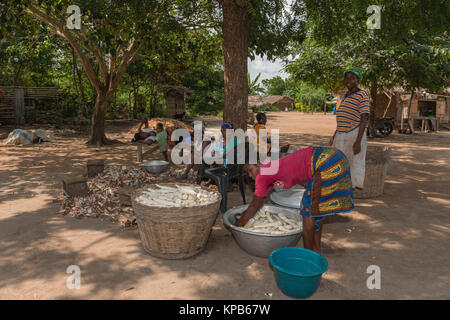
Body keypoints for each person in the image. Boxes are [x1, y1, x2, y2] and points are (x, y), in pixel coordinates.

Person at [235, 143, 354, 254]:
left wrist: (238, 225)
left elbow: (255, 206)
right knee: (316, 211)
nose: (251, 176)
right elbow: (259, 200)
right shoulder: (270, 167)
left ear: (259, 163)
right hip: (335, 156)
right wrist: (244, 214)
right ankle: (316, 252)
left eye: (250, 170)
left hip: (325, 162)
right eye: (248, 174)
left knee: (307, 210)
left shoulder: (263, 175)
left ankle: (308, 255)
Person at [330, 67, 370, 189]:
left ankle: (350, 190)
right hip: (341, 134)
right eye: (347, 78)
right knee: (339, 162)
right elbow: (342, 118)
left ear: (358, 80)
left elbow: (364, 119)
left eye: (352, 78)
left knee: (354, 163)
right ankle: (341, 188)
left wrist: (358, 141)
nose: (349, 80)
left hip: (354, 134)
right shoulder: (345, 96)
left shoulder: (362, 94)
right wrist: (334, 135)